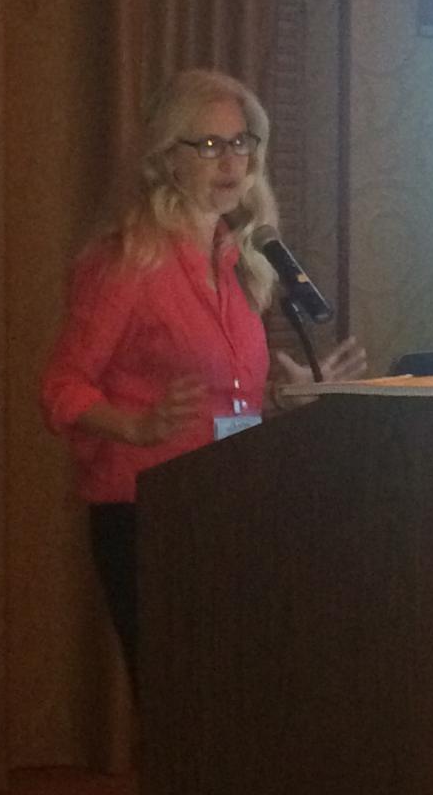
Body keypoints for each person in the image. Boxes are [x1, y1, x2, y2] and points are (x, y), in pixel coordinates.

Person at [40, 69, 366, 682]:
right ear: (168, 158)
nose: (233, 161)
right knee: (176, 704)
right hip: (149, 513)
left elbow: (226, 404)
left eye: (243, 143)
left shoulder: (242, 261)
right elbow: (61, 387)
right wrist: (134, 426)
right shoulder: (127, 261)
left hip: (230, 502)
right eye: (210, 145)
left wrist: (287, 396)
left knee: (231, 701)